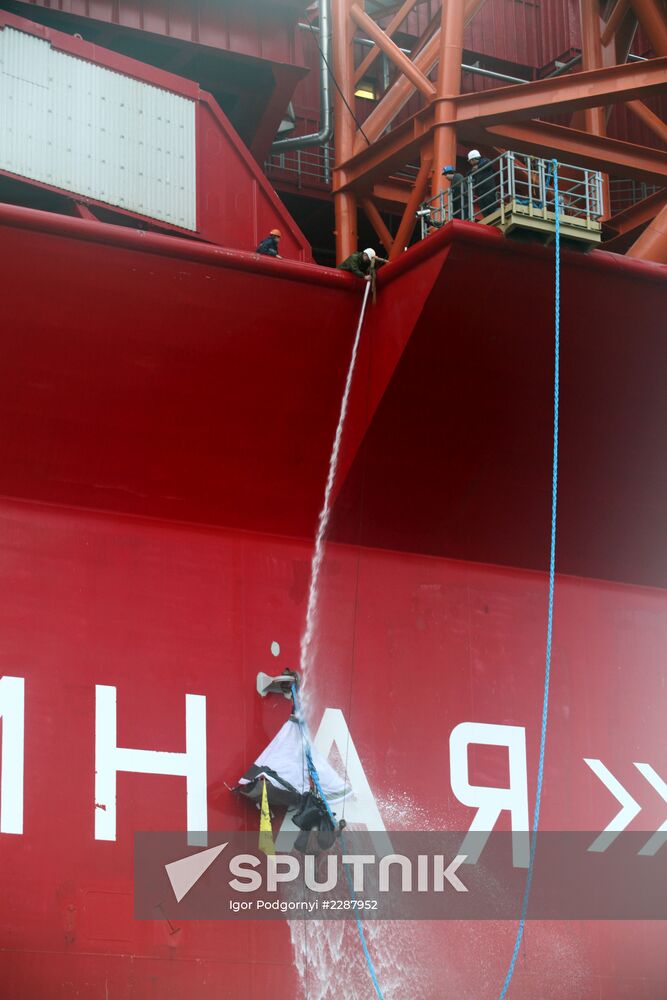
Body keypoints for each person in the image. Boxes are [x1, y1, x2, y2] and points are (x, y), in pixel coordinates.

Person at [467, 149, 497, 216]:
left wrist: (478, 168)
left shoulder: (484, 160)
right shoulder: (475, 168)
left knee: (490, 206)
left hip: (488, 189)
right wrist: (473, 171)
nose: (470, 163)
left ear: (473, 159)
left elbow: (488, 163)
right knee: (484, 208)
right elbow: (468, 174)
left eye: (470, 161)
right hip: (481, 191)